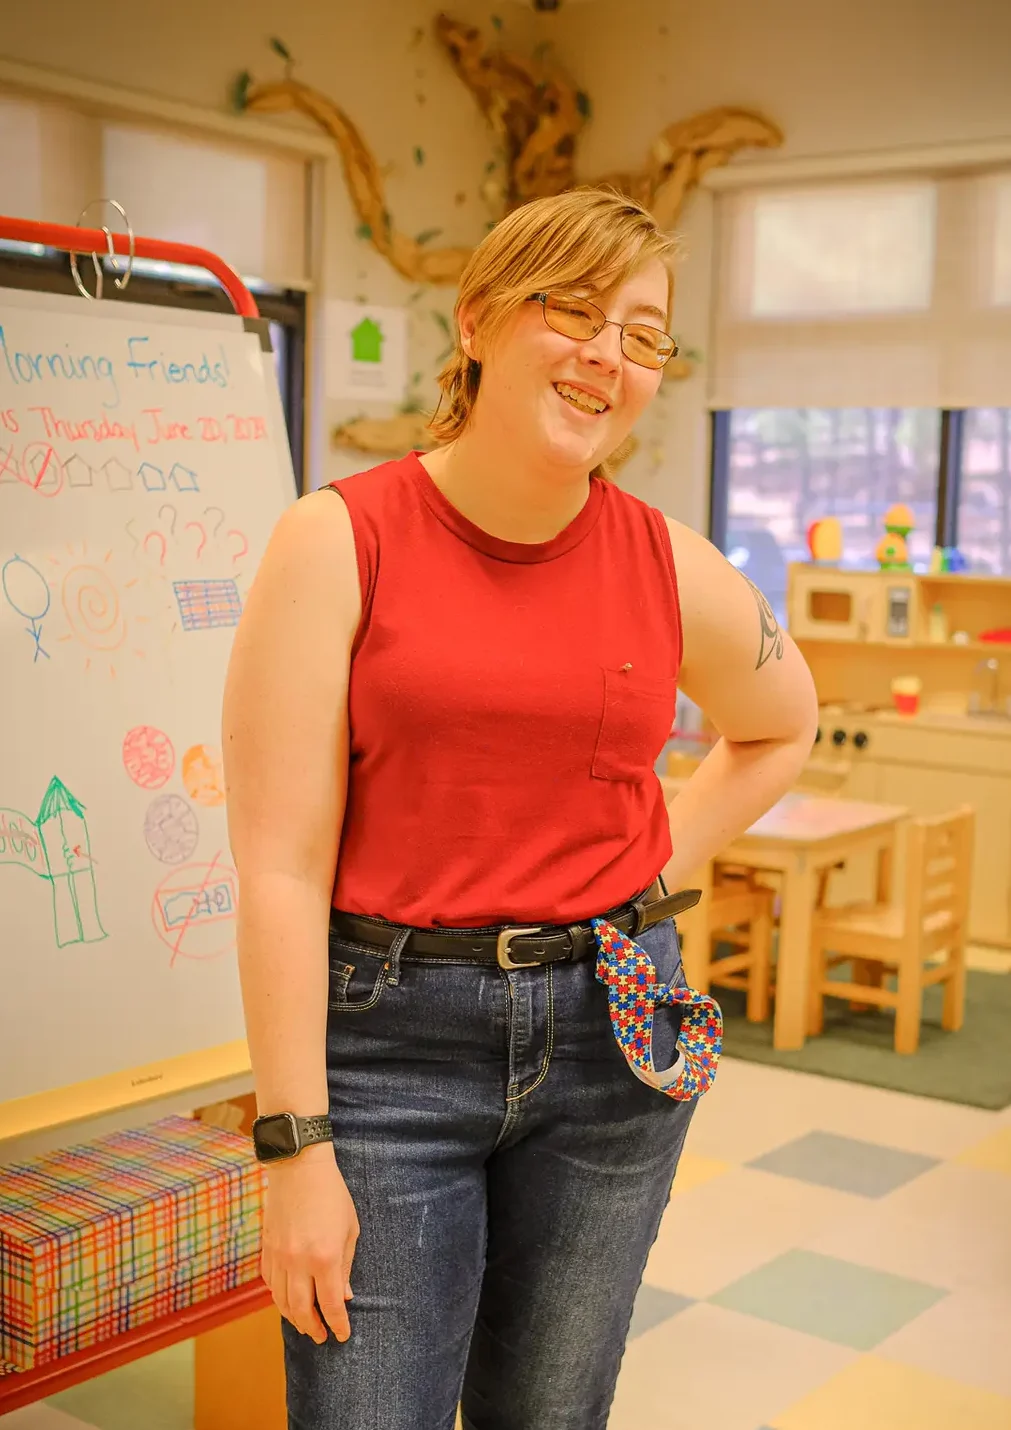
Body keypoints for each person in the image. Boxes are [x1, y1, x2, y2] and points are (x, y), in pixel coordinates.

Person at [222, 186, 818, 1430]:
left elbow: (782, 722)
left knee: (551, 1413)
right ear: (481, 320)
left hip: (615, 1034)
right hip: (384, 1049)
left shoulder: (672, 564)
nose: (610, 355)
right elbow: (279, 864)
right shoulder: (336, 539)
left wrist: (652, 874)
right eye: (578, 310)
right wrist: (295, 1145)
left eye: (644, 332)